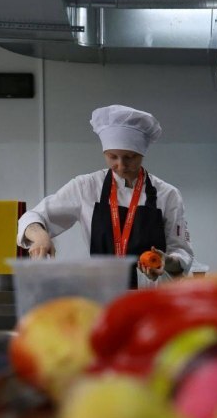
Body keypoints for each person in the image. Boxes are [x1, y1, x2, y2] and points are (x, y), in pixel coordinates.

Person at [16, 105, 193, 288]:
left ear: (142, 154)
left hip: (152, 296)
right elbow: (32, 217)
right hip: (103, 293)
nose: (121, 165)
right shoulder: (86, 187)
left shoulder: (167, 194)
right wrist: (40, 237)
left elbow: (182, 253)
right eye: (112, 157)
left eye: (130, 157)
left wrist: (166, 261)